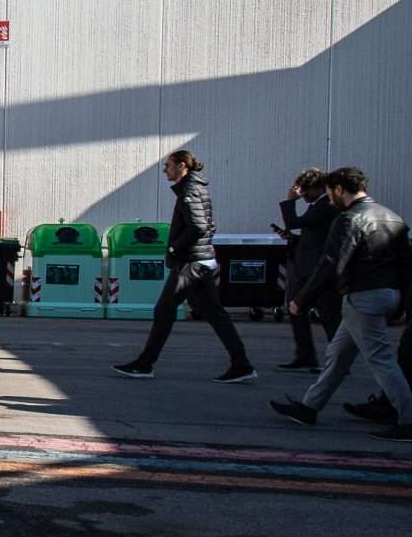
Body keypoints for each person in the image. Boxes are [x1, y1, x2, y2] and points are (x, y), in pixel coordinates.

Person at [271, 167, 412, 440]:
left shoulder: (348, 219)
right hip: (387, 295)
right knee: (338, 356)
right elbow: (406, 265)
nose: (329, 197)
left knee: (380, 359)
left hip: (363, 296)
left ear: (338, 189)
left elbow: (331, 263)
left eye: (329, 191)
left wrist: (301, 298)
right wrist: (403, 302)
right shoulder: (393, 218)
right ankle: (309, 407)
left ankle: (408, 419)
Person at [113, 151, 255, 383]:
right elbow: (209, 225)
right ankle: (242, 364)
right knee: (214, 314)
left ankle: (145, 363)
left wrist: (174, 248)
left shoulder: (190, 189)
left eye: (167, 166)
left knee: (164, 310)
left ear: (182, 166)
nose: (165, 170)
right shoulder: (195, 187)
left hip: (192, 262)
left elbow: (199, 226)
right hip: (201, 259)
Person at [275, 168, 339, 372]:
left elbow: (294, 222)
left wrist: (290, 201)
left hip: (318, 270)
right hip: (308, 268)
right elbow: (313, 236)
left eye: (305, 191)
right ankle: (306, 356)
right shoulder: (319, 207)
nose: (303, 196)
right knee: (297, 310)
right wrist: (293, 239)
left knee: (329, 316)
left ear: (315, 187)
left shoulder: (326, 205)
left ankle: (335, 361)